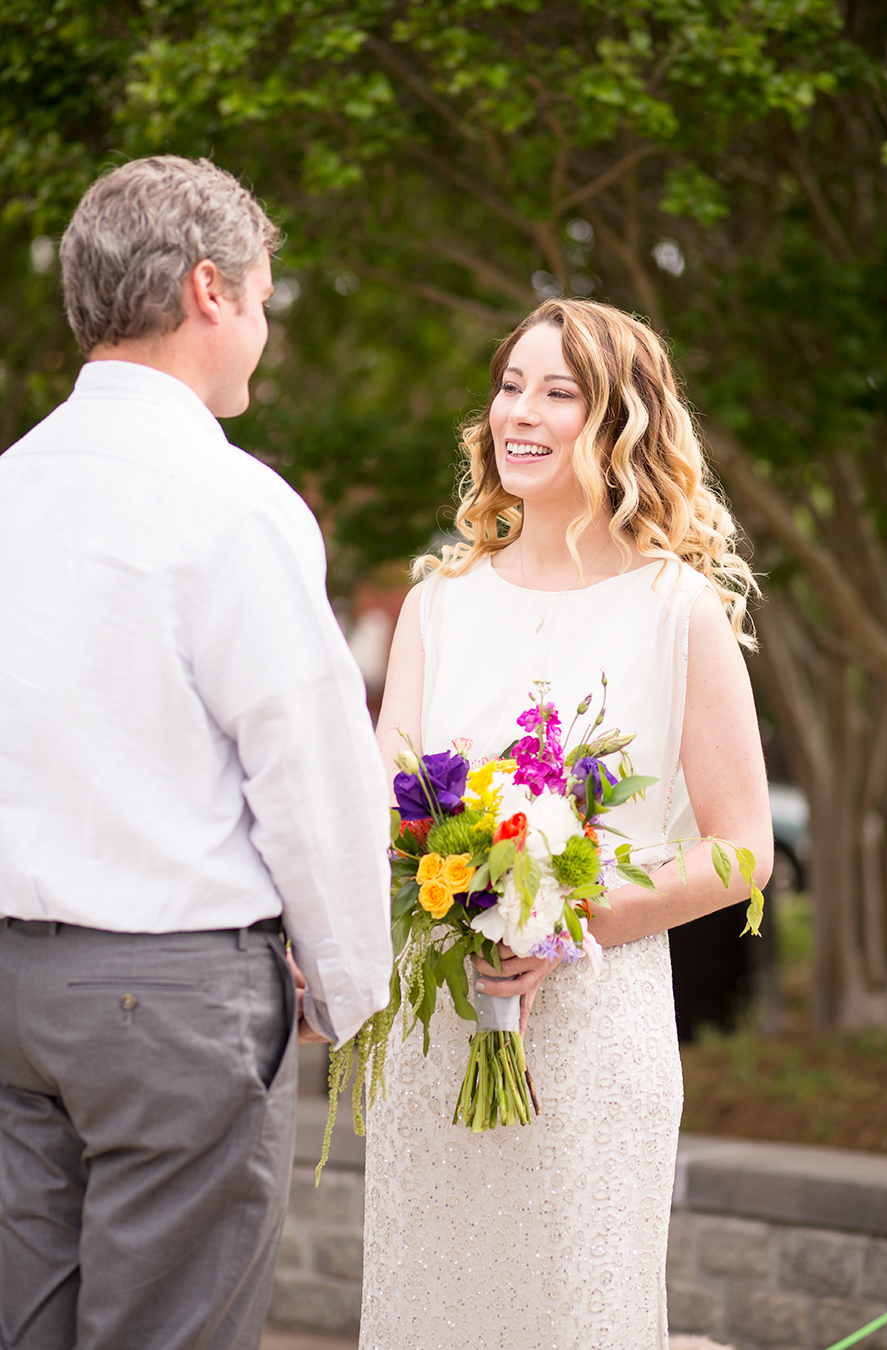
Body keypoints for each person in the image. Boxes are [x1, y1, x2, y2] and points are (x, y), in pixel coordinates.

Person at [0, 156, 393, 1350]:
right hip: (173, 1003)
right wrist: (350, 988)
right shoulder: (235, 505)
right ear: (210, 292)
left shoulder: (9, 489)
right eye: (266, 301)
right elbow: (308, 773)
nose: (264, 330)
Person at [361, 299, 773, 1349]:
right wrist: (445, 888)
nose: (521, 413)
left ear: (620, 421)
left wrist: (566, 911)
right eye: (509, 385)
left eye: (561, 391)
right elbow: (387, 810)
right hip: (439, 1031)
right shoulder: (436, 604)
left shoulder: (678, 611)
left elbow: (740, 848)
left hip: (596, 1031)